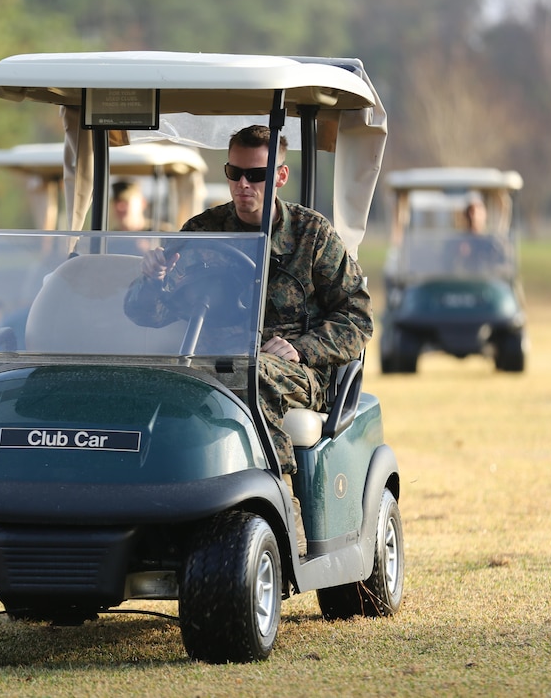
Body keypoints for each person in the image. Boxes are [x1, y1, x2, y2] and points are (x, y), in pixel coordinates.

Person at [124, 125, 374, 557]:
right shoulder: (203, 232)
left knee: (251, 373)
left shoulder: (312, 236)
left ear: (279, 176)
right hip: (209, 360)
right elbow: (148, 313)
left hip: (292, 370)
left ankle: (283, 506)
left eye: (255, 176)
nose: (243, 185)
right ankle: (148, 512)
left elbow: (358, 316)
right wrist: (153, 281)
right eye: (234, 172)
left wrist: (303, 348)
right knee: (150, 383)